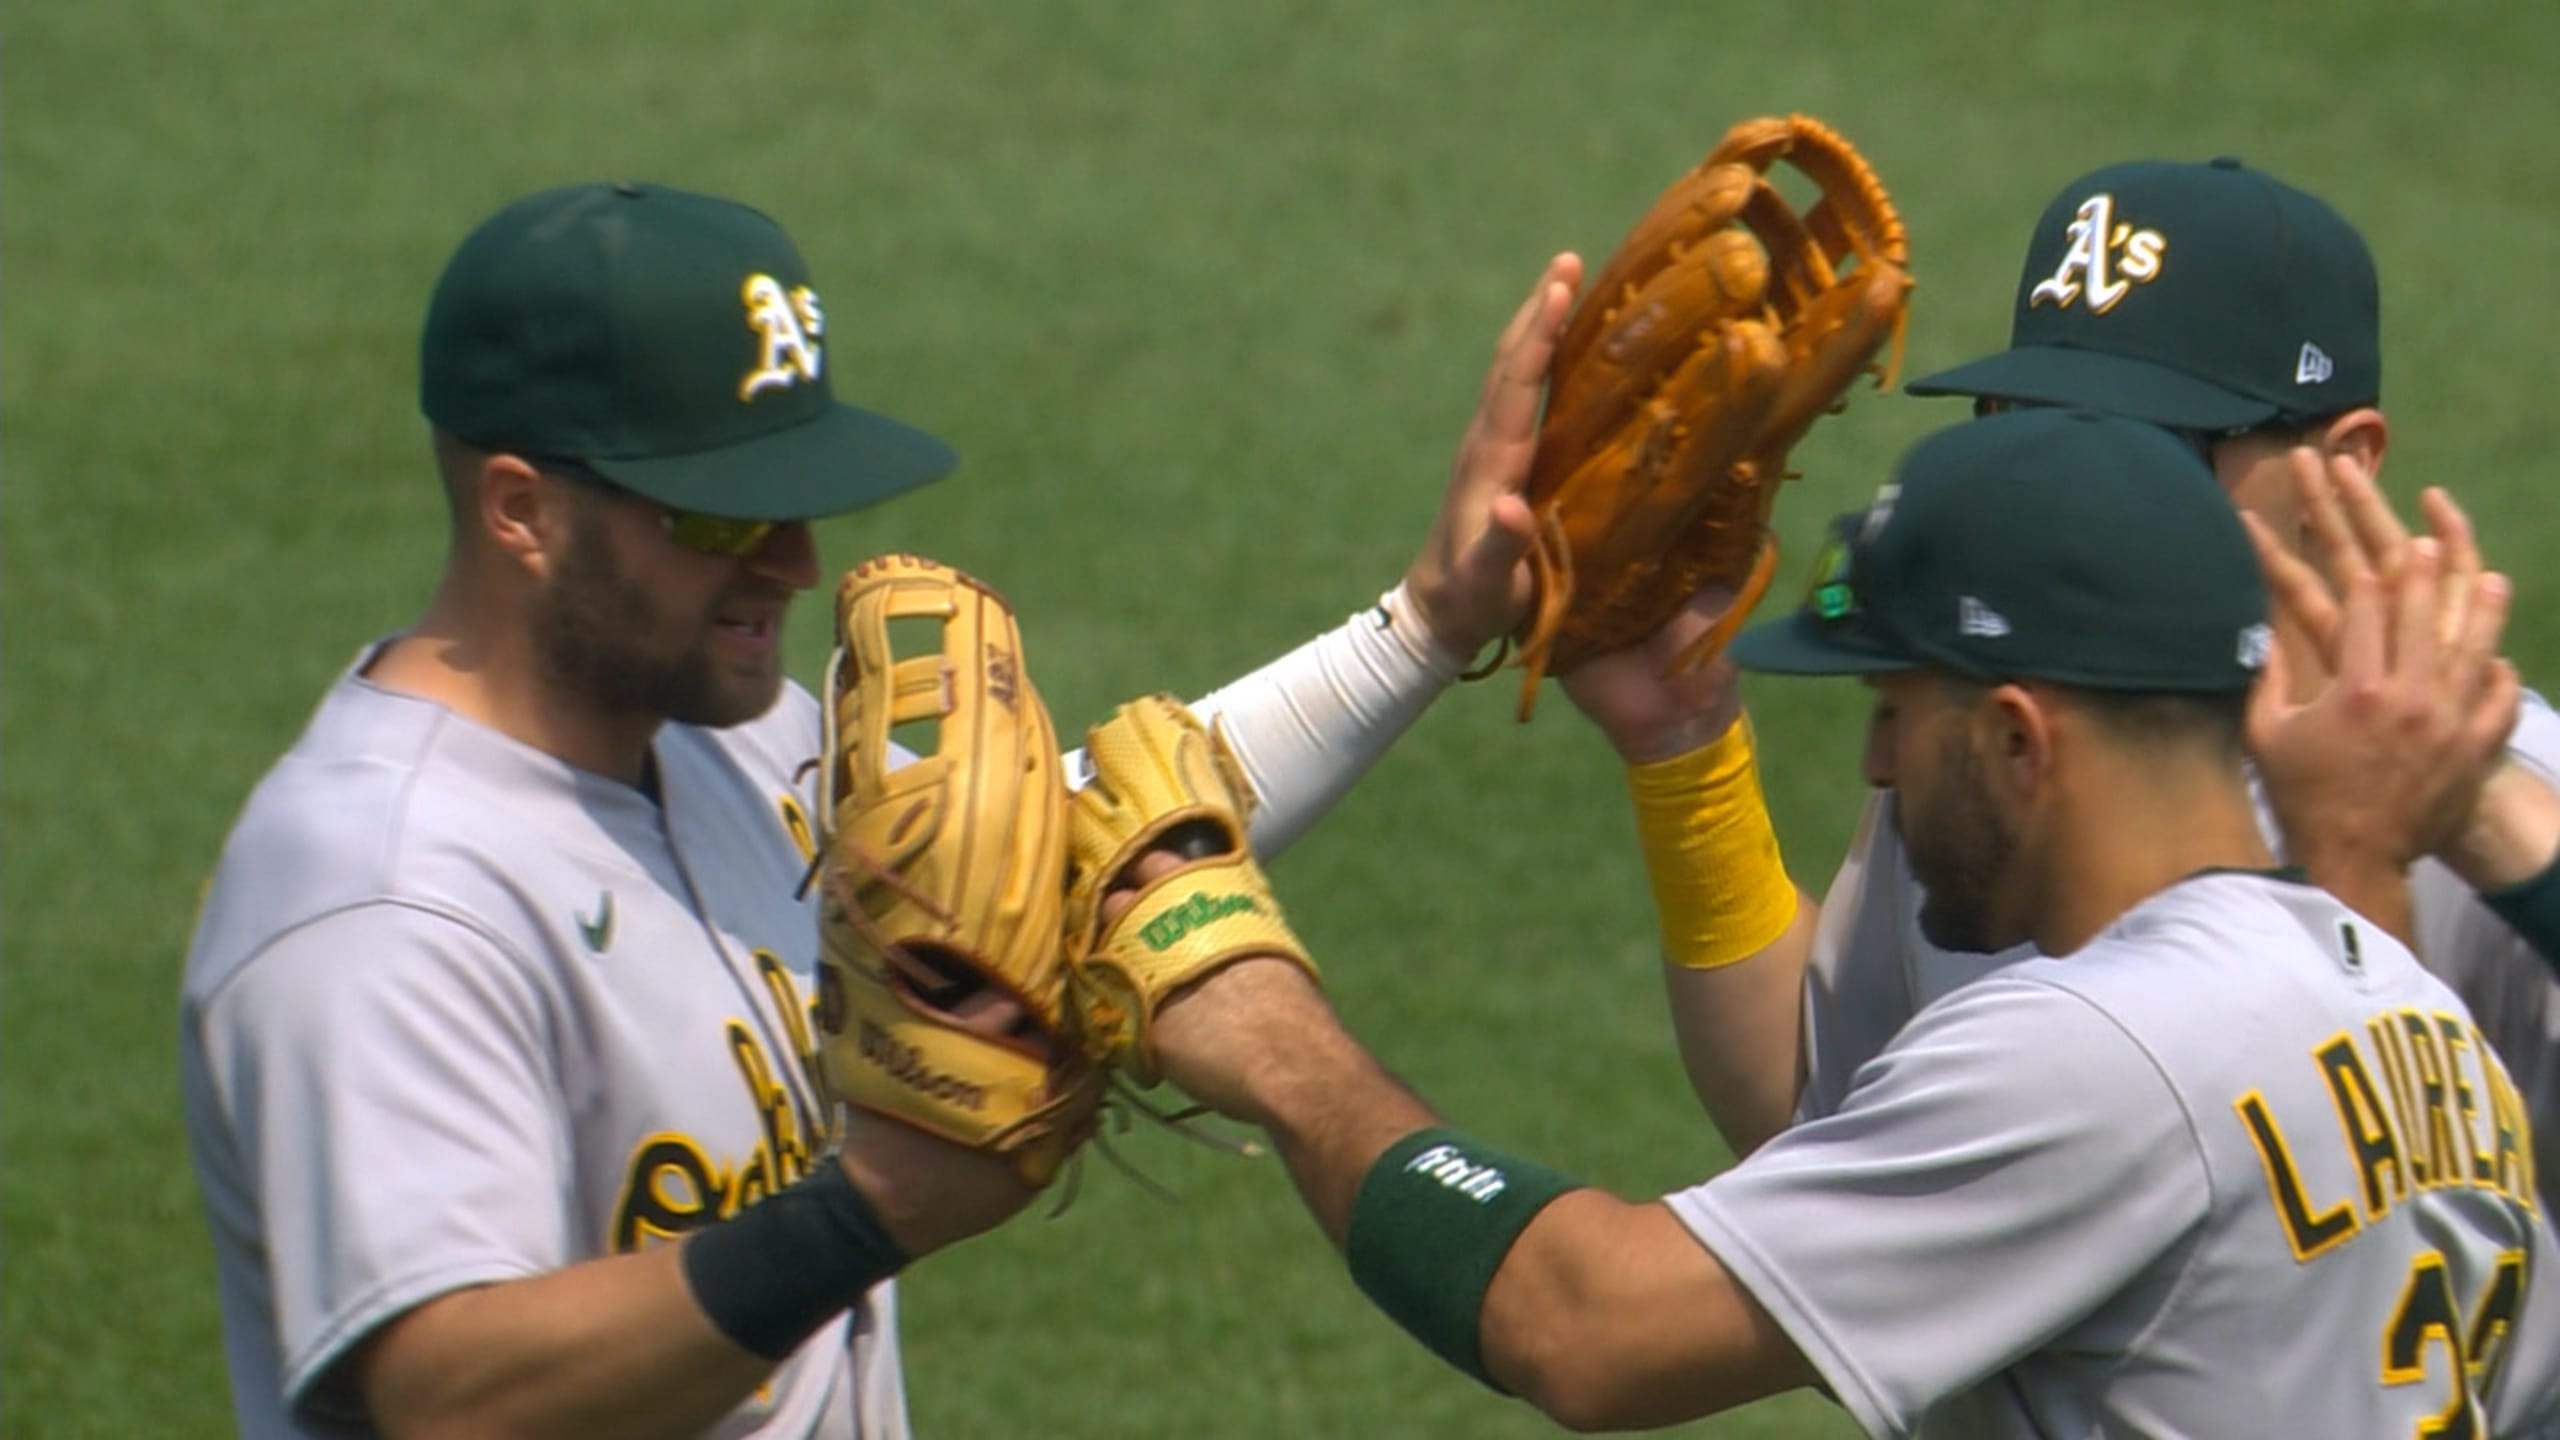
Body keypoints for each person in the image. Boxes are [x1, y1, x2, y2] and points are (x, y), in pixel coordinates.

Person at [176, 180, 1580, 1439]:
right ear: (521, 510)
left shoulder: (725, 742)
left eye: (795, 499)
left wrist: (1424, 627)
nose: (791, 563)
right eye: (721, 517)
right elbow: (445, 1393)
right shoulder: (381, 903)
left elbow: (1073, 845)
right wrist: (875, 1209)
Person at [1142, 408, 2560, 1436]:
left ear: (2016, 737)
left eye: (1896, 715)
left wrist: (1277, 1043)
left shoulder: (2108, 1047)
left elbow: (1583, 1326)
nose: (1877, 768)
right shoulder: (2405, 1002)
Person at [1605, 157, 2560, 1210]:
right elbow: (1825, 1124)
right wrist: (1684, 748)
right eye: (2031, 422)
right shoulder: (1994, 724)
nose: (2086, 490)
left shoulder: (2500, 807)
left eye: (2159, 446)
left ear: (2346, 464)